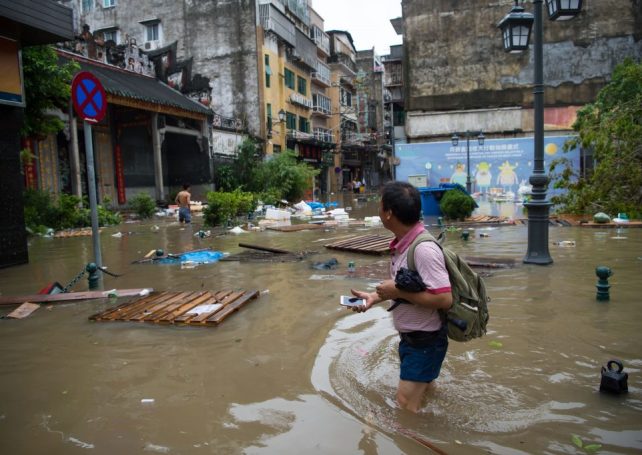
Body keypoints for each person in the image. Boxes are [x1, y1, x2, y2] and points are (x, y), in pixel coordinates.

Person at [350, 181, 453, 413]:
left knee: (405, 406)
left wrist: (396, 291)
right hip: (413, 339)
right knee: (425, 393)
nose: (378, 210)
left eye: (380, 206)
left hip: (425, 340)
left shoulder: (423, 250)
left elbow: (445, 299)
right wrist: (374, 297)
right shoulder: (402, 245)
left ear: (389, 213)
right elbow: (409, 290)